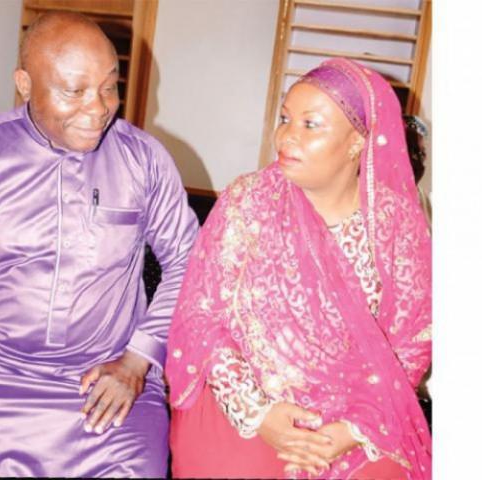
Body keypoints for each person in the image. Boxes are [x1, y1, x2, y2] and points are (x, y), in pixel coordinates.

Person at [0, 12, 198, 477]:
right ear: (25, 84)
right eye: (74, 91)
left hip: (108, 378)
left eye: (108, 86)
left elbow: (189, 261)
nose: (99, 108)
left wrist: (138, 360)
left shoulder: (144, 160)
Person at [165, 58, 431, 479]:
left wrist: (354, 429)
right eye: (286, 119)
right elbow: (201, 316)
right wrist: (258, 414)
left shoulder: (396, 224)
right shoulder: (247, 201)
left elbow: (414, 337)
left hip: (357, 408)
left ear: (357, 142)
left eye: (311, 125)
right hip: (247, 396)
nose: (287, 136)